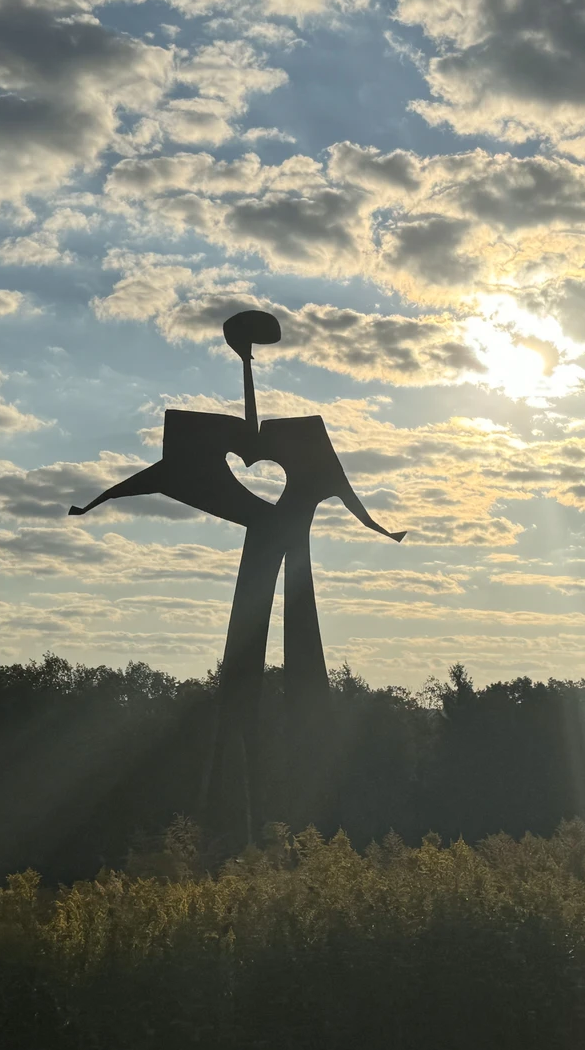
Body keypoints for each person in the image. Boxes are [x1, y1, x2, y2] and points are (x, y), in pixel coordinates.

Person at [70, 309, 404, 839]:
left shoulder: (306, 455)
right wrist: (94, 503)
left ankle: (285, 823)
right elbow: (165, 471)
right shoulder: (277, 464)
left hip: (283, 552)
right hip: (270, 551)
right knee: (244, 682)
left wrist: (381, 529)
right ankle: (241, 823)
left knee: (290, 673)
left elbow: (339, 490)